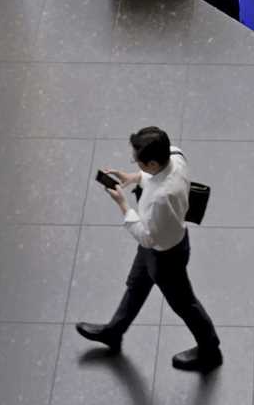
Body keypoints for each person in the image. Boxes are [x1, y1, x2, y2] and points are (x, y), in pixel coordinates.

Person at [75, 126, 222, 374]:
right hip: (164, 245)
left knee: (185, 304)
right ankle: (114, 331)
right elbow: (154, 177)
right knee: (136, 285)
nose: (136, 163)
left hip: (166, 256)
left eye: (138, 161)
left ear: (153, 163)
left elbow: (147, 237)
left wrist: (123, 205)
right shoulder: (175, 155)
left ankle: (210, 350)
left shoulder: (161, 199)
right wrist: (133, 177)